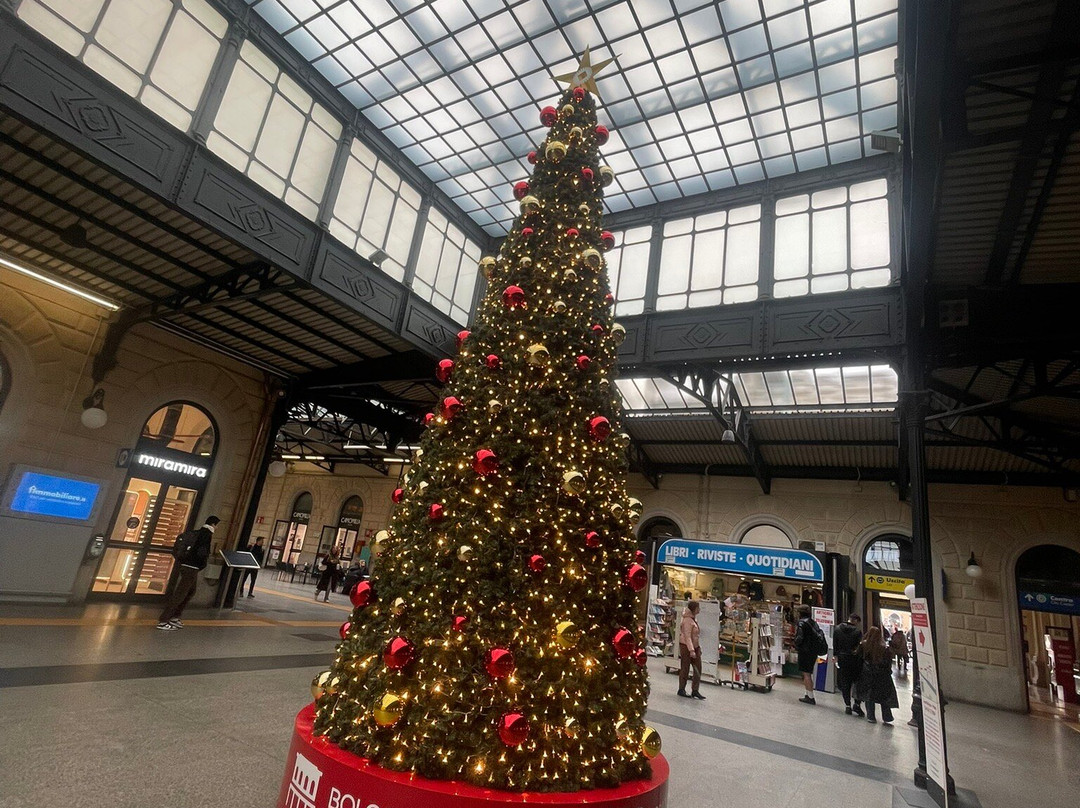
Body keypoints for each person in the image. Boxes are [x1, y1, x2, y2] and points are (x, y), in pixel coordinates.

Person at [157, 516, 219, 630]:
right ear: (214, 524)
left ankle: (175, 616)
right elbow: (202, 552)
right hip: (192, 567)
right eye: (217, 525)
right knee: (181, 593)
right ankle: (164, 620)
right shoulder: (206, 535)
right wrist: (201, 564)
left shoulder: (198, 532)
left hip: (188, 566)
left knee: (190, 591)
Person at [856, 626, 900, 724]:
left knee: (869, 695)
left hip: (868, 673)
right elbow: (888, 662)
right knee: (884, 696)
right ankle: (887, 717)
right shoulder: (884, 647)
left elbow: (858, 658)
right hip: (882, 675)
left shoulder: (864, 645)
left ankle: (871, 716)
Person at [833, 614, 865, 716]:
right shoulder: (857, 632)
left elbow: (835, 644)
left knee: (845, 682)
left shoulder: (837, 629)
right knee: (856, 682)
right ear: (855, 621)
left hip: (842, 659)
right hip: (854, 660)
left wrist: (836, 656)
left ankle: (847, 705)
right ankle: (857, 704)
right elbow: (859, 647)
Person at [794, 604, 823, 704]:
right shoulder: (813, 622)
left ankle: (810, 697)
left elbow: (799, 638)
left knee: (806, 674)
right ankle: (807, 693)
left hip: (805, 651)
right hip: (812, 651)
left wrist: (796, 644)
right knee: (808, 673)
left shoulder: (801, 623)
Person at [677, 600, 706, 699]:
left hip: (695, 647)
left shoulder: (693, 619)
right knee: (685, 668)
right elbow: (687, 636)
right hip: (686, 647)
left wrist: (697, 648)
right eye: (698, 608)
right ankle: (681, 689)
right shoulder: (687, 621)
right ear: (694, 609)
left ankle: (695, 690)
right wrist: (691, 650)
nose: (699, 610)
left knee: (698, 668)